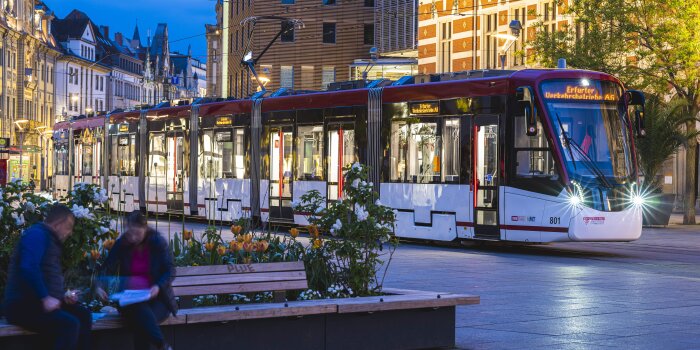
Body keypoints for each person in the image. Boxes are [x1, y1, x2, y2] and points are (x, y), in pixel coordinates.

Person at [3, 204, 92, 350]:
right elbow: (28, 267)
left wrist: (62, 297)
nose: (70, 233)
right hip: (22, 305)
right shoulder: (36, 235)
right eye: (69, 227)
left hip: (38, 302)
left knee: (83, 315)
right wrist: (45, 297)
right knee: (69, 325)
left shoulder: (49, 239)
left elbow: (46, 275)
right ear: (58, 224)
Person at [95, 211, 177, 350]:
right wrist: (99, 286)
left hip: (157, 299)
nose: (133, 238)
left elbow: (170, 270)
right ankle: (162, 345)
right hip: (130, 299)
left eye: (137, 234)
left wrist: (157, 286)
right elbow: (107, 267)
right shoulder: (122, 243)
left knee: (141, 321)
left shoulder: (157, 242)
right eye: (130, 233)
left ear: (145, 229)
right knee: (139, 313)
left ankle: (162, 345)